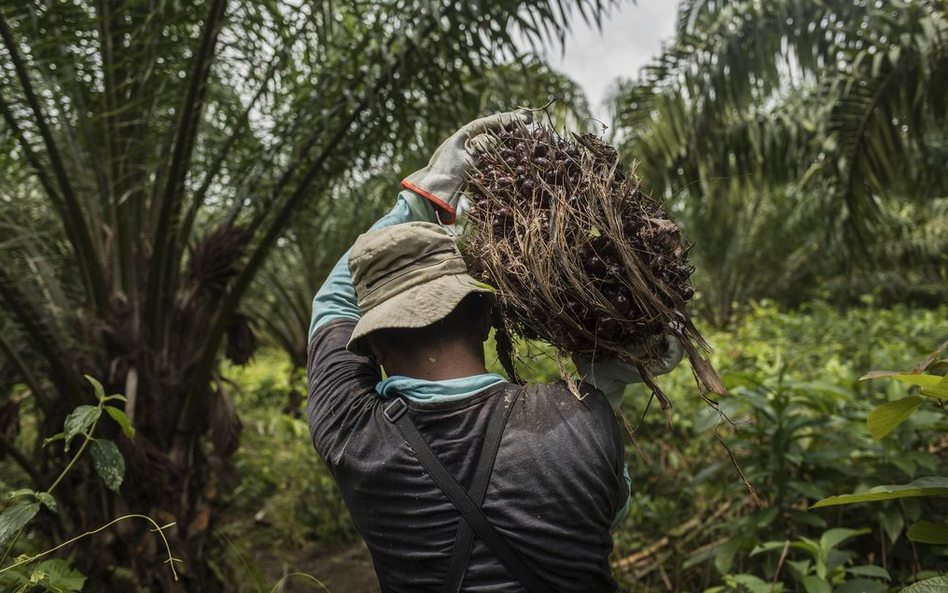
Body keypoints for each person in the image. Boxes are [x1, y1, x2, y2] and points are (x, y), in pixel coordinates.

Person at [306, 110, 683, 593]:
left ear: (372, 341)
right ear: (488, 318)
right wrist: (610, 371)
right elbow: (608, 509)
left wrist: (423, 198)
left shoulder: (349, 435)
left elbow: (333, 305)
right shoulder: (585, 424)